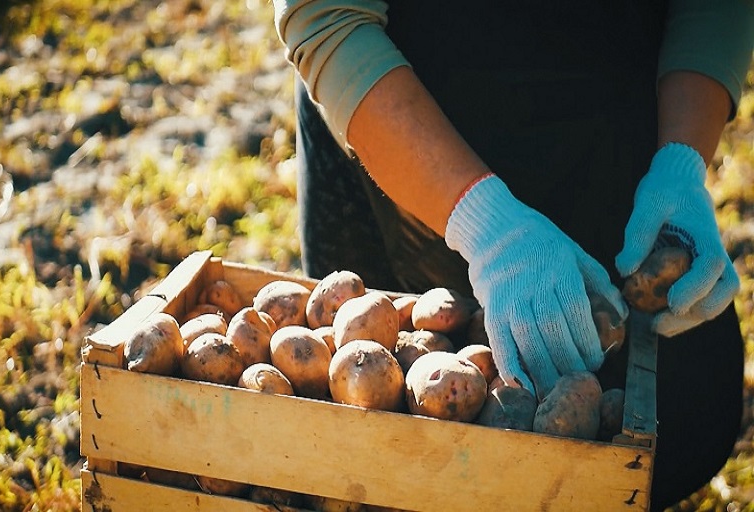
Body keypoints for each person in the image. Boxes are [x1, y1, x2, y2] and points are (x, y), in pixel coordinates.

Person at [272, 1, 754, 509]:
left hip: (613, 109)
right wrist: (486, 226)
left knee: (659, 431)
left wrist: (680, 160)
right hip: (397, 114)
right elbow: (326, 16)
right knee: (385, 462)